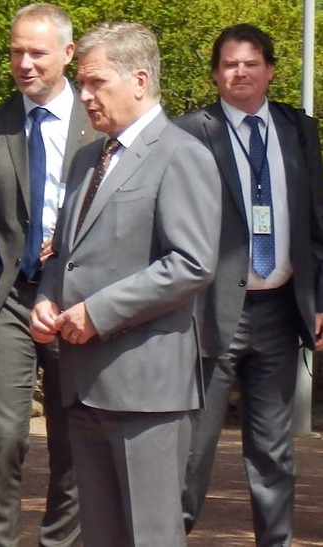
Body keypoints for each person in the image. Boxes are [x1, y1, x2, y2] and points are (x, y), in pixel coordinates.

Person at [30, 22, 221, 547]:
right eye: (82, 84)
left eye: (96, 83)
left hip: (147, 392)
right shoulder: (86, 159)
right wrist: (48, 297)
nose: (83, 96)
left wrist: (98, 312)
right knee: (103, 536)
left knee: (150, 536)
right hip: (83, 385)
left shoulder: (182, 155)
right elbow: (64, 255)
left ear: (139, 80)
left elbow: (191, 263)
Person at [176, 24, 323, 547]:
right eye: (230, 64)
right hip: (211, 312)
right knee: (193, 448)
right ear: (216, 73)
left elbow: (314, 218)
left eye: (251, 63)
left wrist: (317, 298)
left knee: (274, 449)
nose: (240, 72)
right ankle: (170, 536)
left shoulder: (298, 128)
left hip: (282, 311)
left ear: (270, 71)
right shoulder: (190, 131)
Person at [0, 5, 98, 546]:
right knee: (3, 436)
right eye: (16, 51)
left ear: (68, 54)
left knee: (74, 441)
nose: (24, 63)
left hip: (78, 301)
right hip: (9, 299)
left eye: (37, 52)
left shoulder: (101, 124)